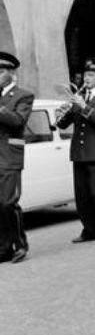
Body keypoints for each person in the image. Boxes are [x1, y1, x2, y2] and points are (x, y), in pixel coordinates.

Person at [57, 58, 95, 243]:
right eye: (85, 75)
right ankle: (89, 230)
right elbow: (64, 123)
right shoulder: (80, 97)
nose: (87, 78)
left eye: (91, 75)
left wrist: (83, 106)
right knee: (81, 195)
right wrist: (61, 115)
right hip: (79, 152)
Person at [0, 52, 34, 264]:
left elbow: (18, 121)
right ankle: (4, 248)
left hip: (10, 154)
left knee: (7, 202)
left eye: (1, 71)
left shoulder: (23, 95)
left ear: (11, 74)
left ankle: (20, 244)